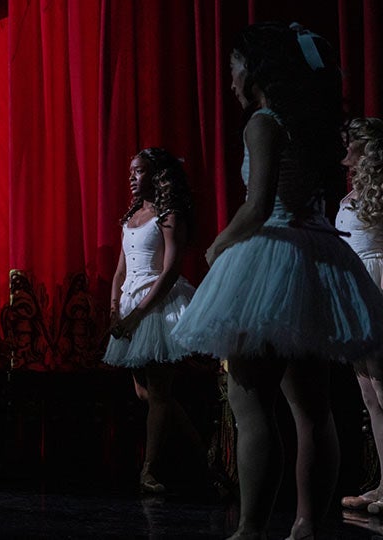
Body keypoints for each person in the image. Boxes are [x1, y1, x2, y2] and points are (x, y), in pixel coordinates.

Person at [171, 23, 383, 539]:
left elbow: (259, 205)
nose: (230, 81)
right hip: (317, 257)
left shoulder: (263, 122)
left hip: (273, 254)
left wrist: (219, 245)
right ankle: (307, 525)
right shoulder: (312, 125)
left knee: (251, 404)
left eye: (234, 69)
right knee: (312, 409)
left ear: (256, 70)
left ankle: (250, 529)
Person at [103, 147, 204, 494]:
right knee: (144, 391)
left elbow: (170, 269)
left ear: (157, 175)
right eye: (131, 171)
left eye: (140, 171)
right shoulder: (132, 216)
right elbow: (120, 271)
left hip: (157, 305)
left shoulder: (169, 215)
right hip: (130, 304)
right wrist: (115, 310)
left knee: (160, 391)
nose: (132, 177)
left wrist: (138, 314)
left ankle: (149, 469)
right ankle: (203, 454)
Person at [335, 118, 383, 512]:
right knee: (369, 396)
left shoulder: (380, 191)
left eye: (349, 141)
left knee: (382, 389)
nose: (343, 147)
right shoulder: (350, 194)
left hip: (377, 285)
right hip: (354, 290)